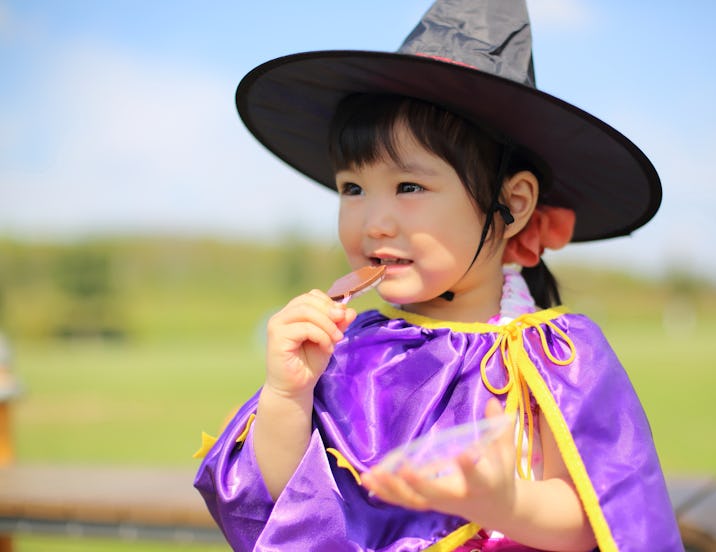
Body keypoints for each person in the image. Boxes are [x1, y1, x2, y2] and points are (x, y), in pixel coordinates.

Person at [194, 0, 683, 550]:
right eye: (352, 188)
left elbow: (594, 517)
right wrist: (288, 394)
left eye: (409, 187)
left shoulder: (556, 357)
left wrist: (502, 504)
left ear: (513, 203)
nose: (373, 222)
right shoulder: (351, 349)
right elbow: (286, 505)